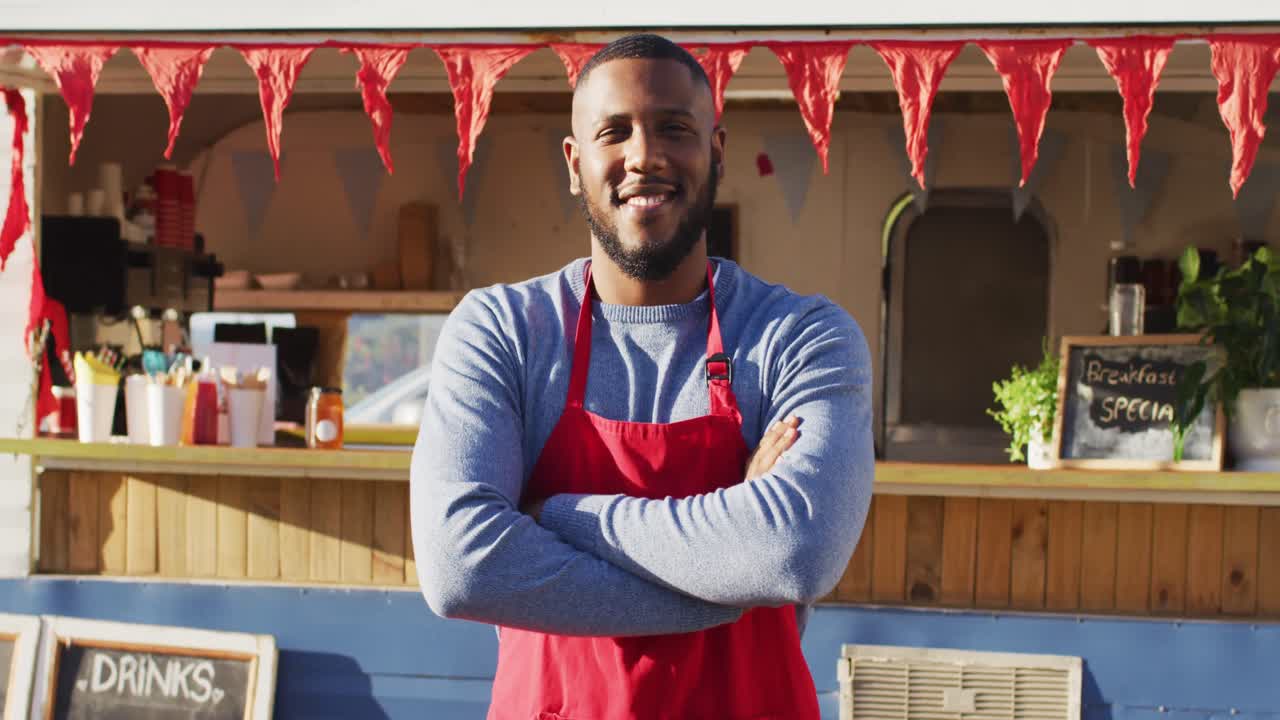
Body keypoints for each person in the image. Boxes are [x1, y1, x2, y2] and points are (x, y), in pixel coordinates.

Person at [410, 33, 873, 719]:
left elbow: (795, 550)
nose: (644, 156)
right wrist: (728, 573)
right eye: (614, 132)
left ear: (716, 150)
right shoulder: (503, 331)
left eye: (673, 129)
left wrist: (557, 516)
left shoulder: (802, 337)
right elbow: (461, 569)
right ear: (575, 163)